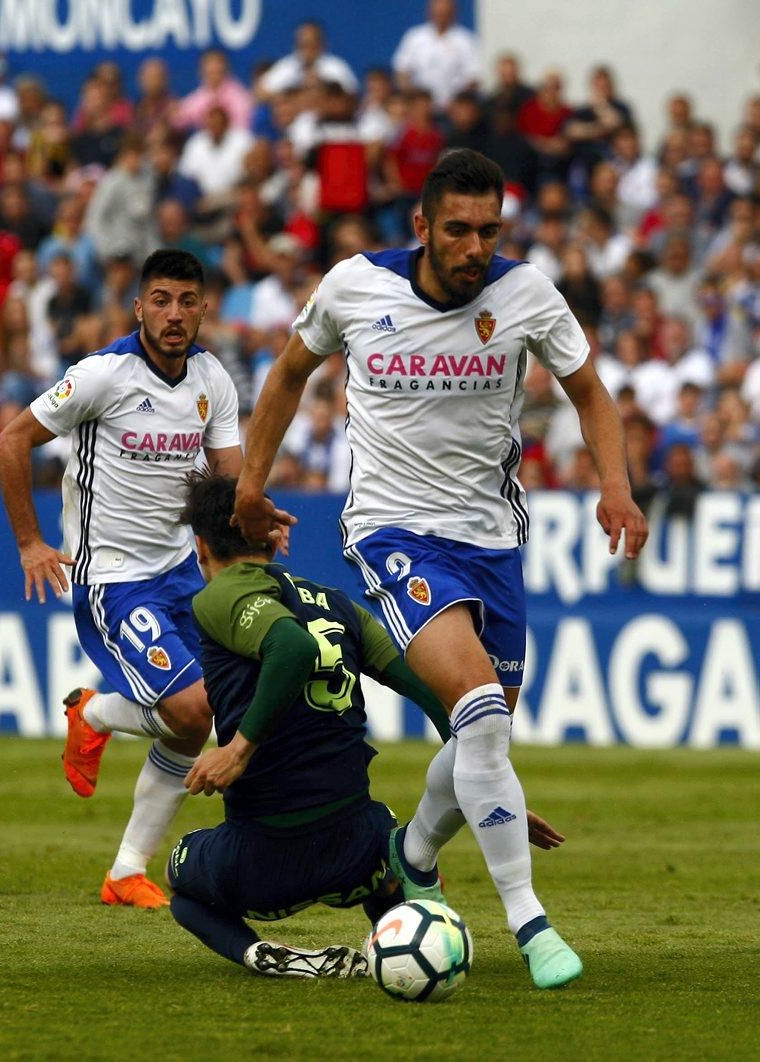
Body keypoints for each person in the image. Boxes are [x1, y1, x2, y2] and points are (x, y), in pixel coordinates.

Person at [234, 148, 648, 989]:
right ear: (421, 226)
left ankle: (410, 854)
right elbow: (286, 375)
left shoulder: (526, 293)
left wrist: (615, 484)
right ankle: (530, 926)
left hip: (493, 542)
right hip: (392, 530)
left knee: (479, 735)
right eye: (457, 230)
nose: (474, 248)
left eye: (488, 231)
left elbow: (591, 392)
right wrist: (248, 485)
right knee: (482, 711)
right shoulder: (356, 286)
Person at [168, 472, 564, 977]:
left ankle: (260, 954)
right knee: (400, 851)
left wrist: (238, 749)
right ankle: (420, 942)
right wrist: (493, 791)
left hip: (264, 859)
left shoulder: (217, 596)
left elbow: (291, 647)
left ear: (200, 545)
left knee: (179, 878)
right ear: (273, 533)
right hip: (360, 853)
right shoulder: (340, 604)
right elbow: (439, 698)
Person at [0, 249, 284, 909]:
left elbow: (230, 480)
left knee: (191, 724)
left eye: (186, 300)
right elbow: (9, 443)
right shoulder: (103, 376)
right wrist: (30, 541)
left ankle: (125, 871)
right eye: (161, 299)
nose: (174, 314)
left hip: (182, 569)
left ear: (204, 307)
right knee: (193, 708)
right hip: (114, 578)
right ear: (139, 307)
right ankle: (91, 712)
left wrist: (257, 515)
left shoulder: (213, 377)